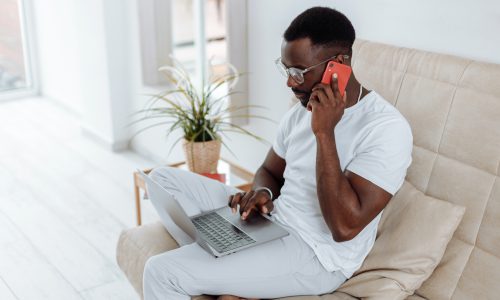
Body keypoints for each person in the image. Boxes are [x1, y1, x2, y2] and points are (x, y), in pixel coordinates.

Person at [143, 6, 413, 300]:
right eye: (286, 69)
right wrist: (263, 193)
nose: (289, 82)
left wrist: (325, 132)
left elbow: (344, 227)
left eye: (298, 72)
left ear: (339, 64)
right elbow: (269, 172)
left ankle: (219, 269)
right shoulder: (299, 113)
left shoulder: (386, 128)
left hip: (316, 255)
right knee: (159, 179)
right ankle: (224, 266)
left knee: (160, 272)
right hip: (274, 222)